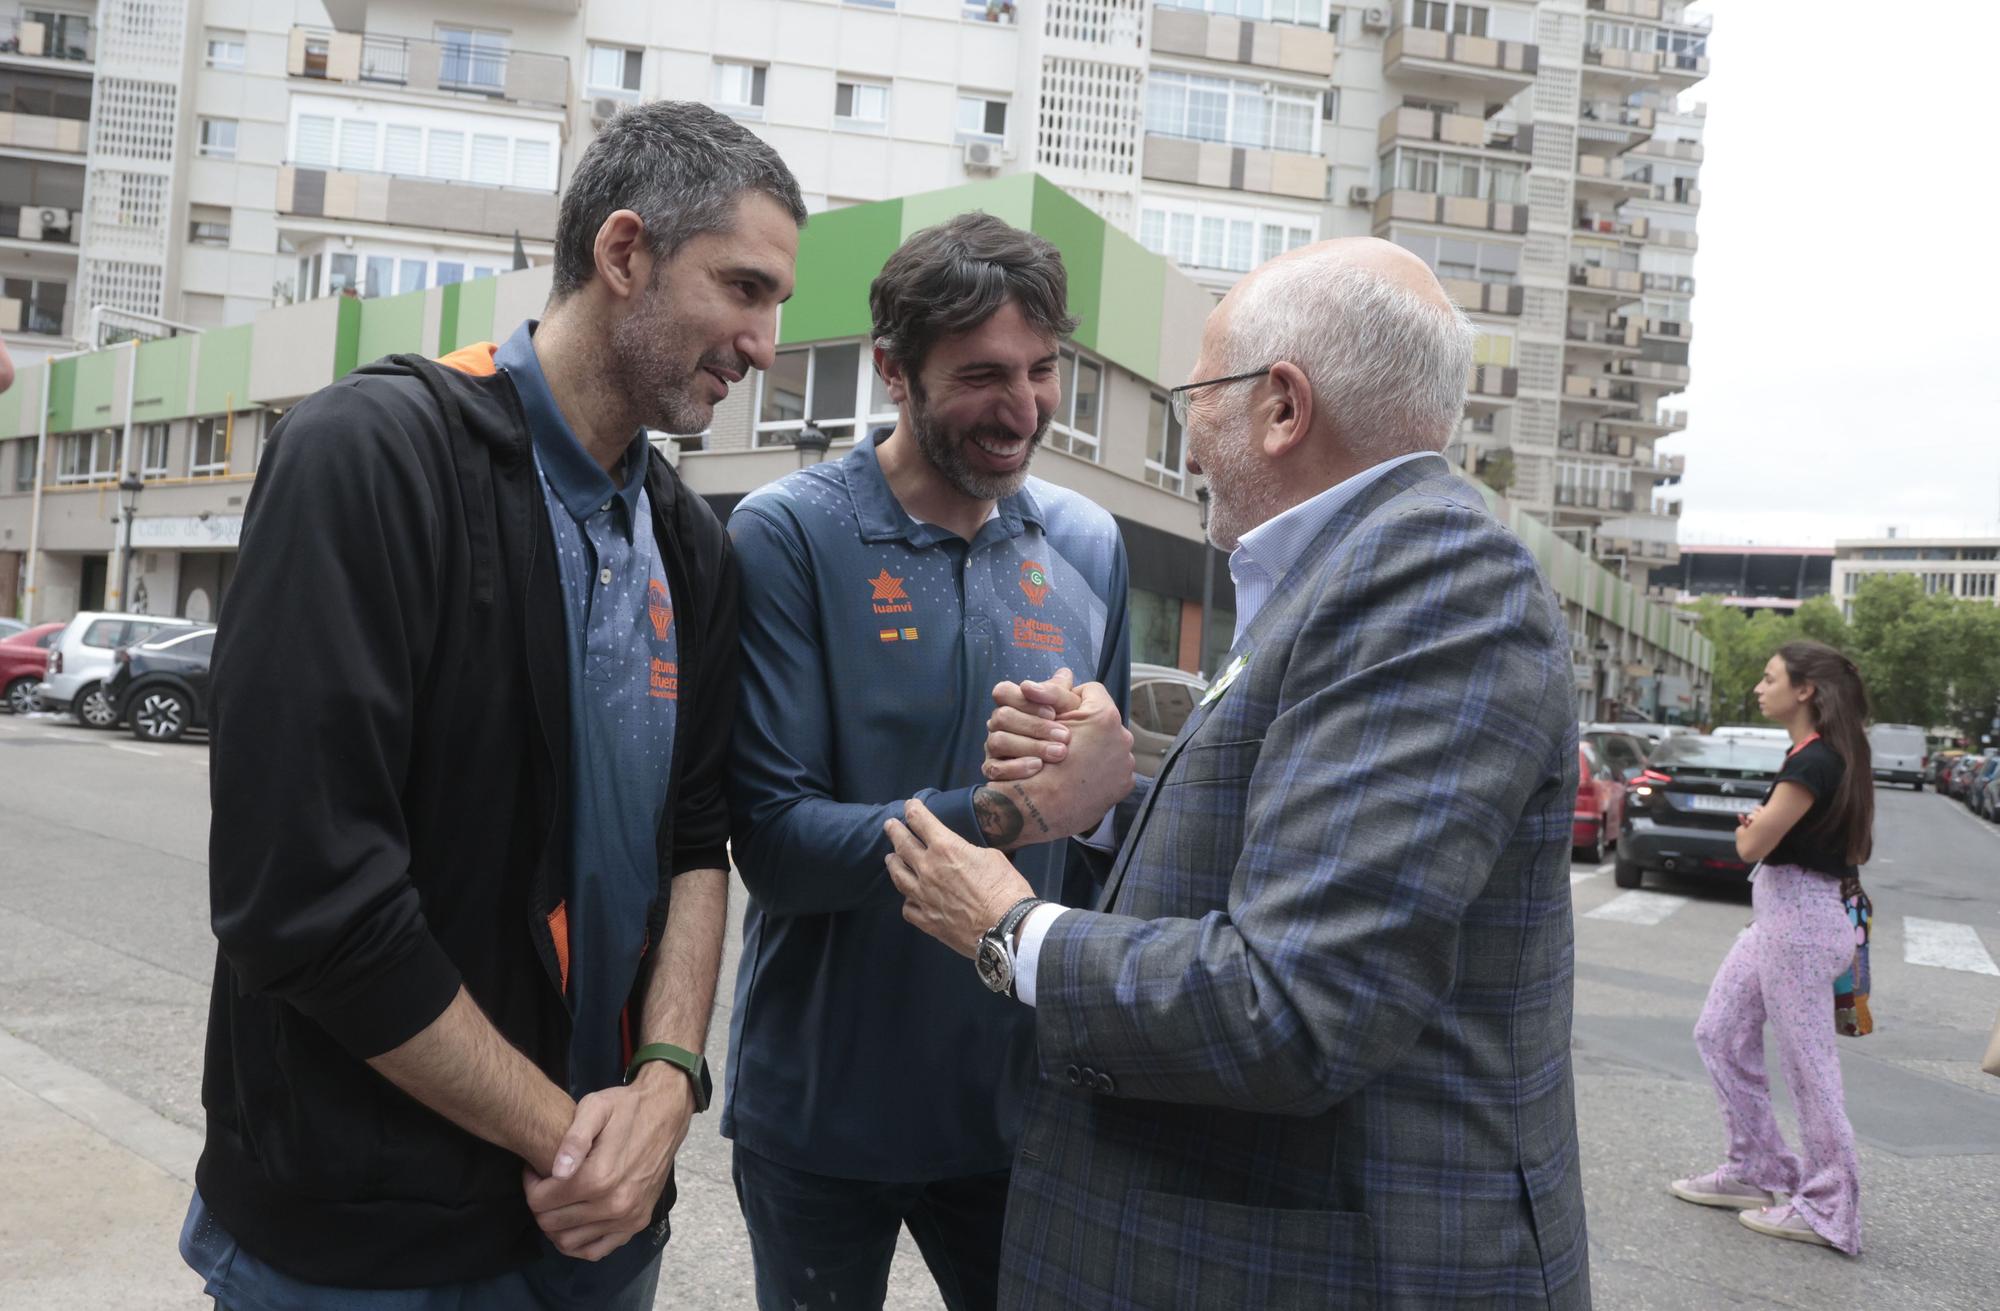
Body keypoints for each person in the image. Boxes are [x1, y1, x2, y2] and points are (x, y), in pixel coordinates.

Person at [885, 237, 1592, 1308]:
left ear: (1281, 408)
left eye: (1197, 396)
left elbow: (1291, 1006)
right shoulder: (1339, 570)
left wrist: (1010, 930)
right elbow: (1290, 853)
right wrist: (1107, 802)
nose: (1189, 438)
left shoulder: (1430, 579)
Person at [184, 101, 805, 1308]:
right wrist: (571, 1141)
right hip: (365, 1248)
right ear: (623, 255)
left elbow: (695, 841)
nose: (766, 341)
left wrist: (670, 1079)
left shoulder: (690, 543)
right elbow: (305, 903)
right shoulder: (370, 456)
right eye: (743, 287)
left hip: (597, 1235)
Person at [723, 211, 1134, 1311]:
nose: (1023, 408)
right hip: (819, 1110)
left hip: (1020, 1111)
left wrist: (1095, 811)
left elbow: (1110, 840)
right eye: (983, 376)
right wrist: (1006, 812)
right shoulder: (785, 536)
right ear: (891, 372)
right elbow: (778, 847)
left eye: (1043, 371)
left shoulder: (1088, 546)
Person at [1670, 640, 1872, 1254]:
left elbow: (1752, 847)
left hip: (1801, 925)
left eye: (1769, 677)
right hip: (1783, 917)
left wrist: (1753, 831)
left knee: (1810, 1069)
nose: (1760, 687)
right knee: (1719, 1032)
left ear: (1805, 690)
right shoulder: (1816, 755)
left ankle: (1831, 1205)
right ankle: (1756, 1169)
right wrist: (1760, 830)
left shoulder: (1815, 763)